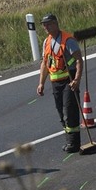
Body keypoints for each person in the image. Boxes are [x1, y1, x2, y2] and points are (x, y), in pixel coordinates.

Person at [36, 14, 84, 153]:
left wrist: (77, 80)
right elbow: (45, 64)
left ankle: (74, 143)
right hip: (55, 83)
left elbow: (78, 60)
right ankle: (69, 141)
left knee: (70, 111)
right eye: (44, 24)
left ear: (56, 23)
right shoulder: (46, 42)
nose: (46, 27)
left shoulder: (68, 40)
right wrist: (41, 83)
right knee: (61, 113)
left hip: (69, 81)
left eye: (49, 24)